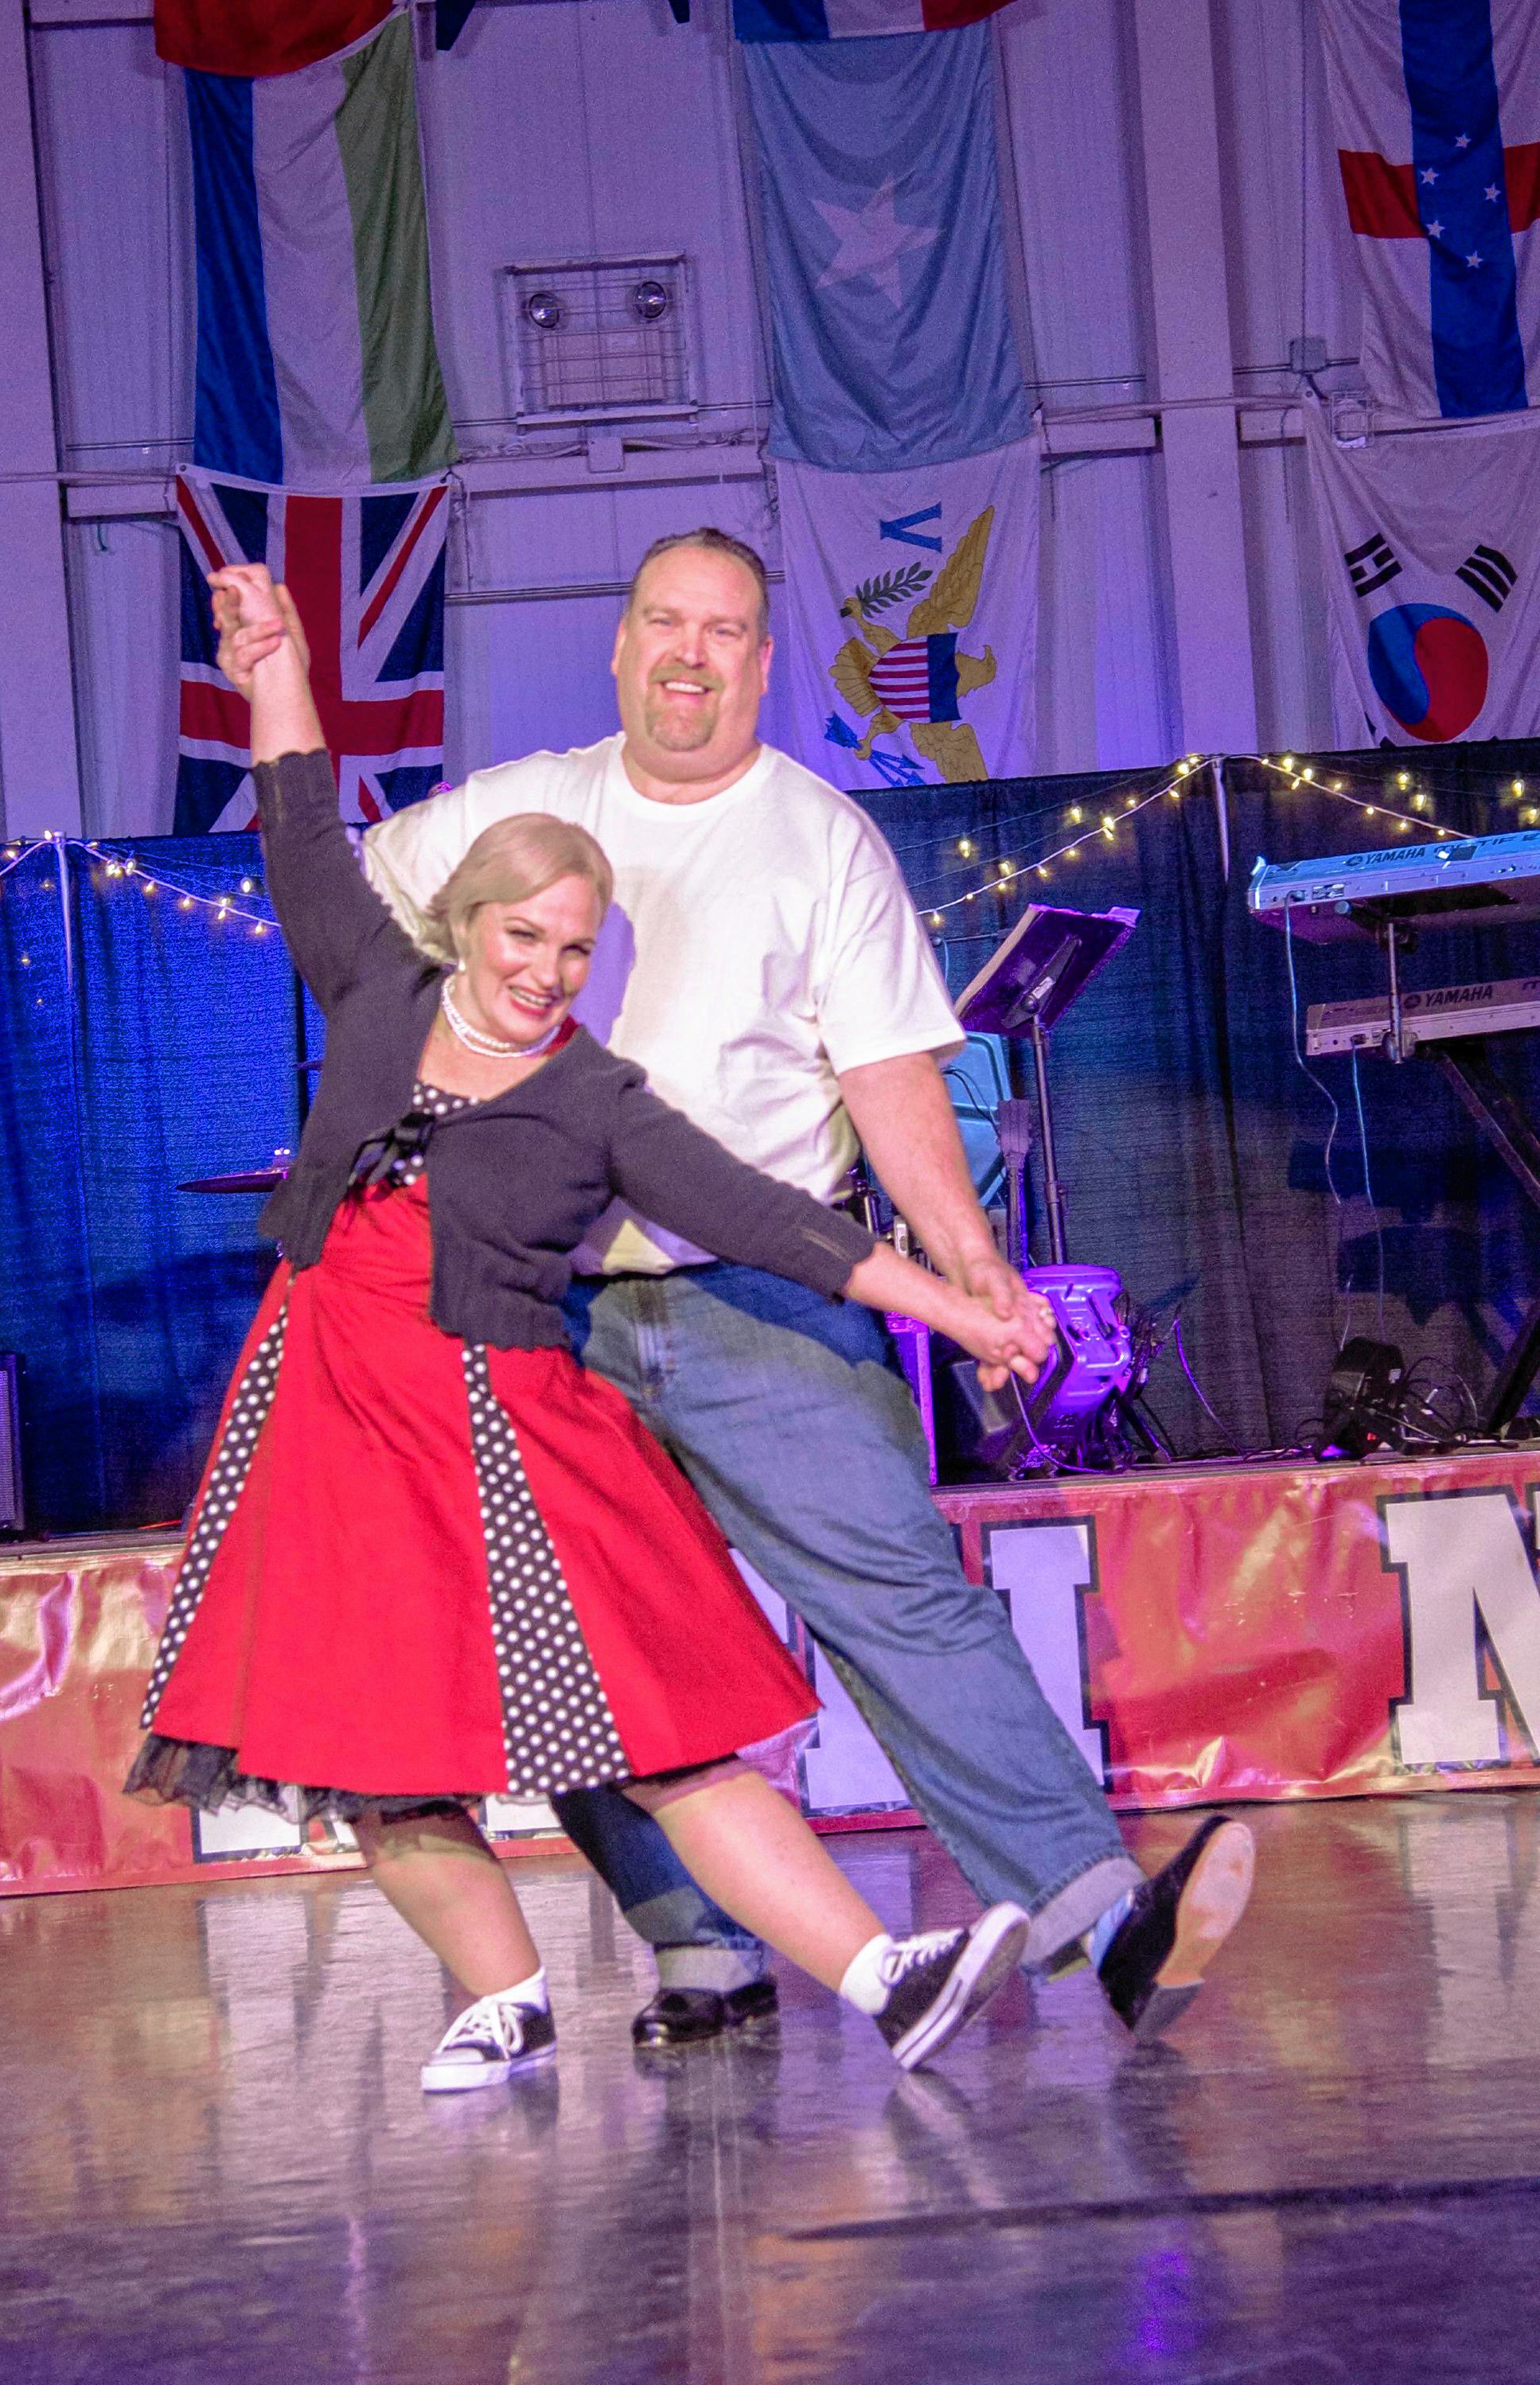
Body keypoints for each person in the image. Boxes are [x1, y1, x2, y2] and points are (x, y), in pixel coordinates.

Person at [126, 560, 1041, 2091]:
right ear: (466, 924)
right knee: (362, 1756)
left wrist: (953, 1304)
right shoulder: (373, 991)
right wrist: (274, 658)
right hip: (325, 1417)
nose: (549, 973)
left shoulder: (594, 1097)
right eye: (525, 939)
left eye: (575, 950)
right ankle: (504, 1997)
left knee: (659, 1727)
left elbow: (777, 1223)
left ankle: (890, 1980)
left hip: (496, 1429)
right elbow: (298, 819)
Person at [352, 526, 1257, 2053]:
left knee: (899, 1590)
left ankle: (1101, 1925)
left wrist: (969, 1267)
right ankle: (699, 1949)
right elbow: (353, 911)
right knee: (561, 1642)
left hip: (758, 1295)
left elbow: (892, 1083)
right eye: (664, 623)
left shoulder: (821, 837)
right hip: (540, 1315)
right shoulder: (522, 810)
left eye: (724, 631)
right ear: (625, 643)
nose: (689, 655)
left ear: (762, 663)